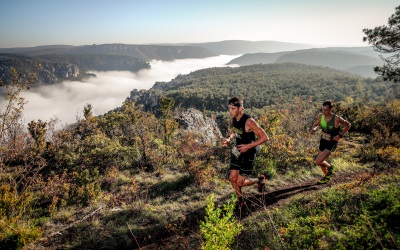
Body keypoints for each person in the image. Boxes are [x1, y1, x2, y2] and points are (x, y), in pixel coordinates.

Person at [222, 97, 269, 207]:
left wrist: (248, 146)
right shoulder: (234, 118)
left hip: (248, 153)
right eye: (229, 108)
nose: (230, 111)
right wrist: (229, 138)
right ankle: (241, 200)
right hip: (237, 150)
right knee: (232, 178)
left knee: (240, 182)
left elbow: (265, 137)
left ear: (241, 108)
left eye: (233, 108)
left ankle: (260, 180)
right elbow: (234, 130)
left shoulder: (249, 121)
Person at [310, 100, 351, 184]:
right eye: (323, 110)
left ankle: (330, 167)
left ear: (331, 109)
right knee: (320, 161)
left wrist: (340, 135)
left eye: (326, 110)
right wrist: (314, 128)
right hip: (323, 140)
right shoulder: (320, 116)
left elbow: (348, 125)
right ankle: (327, 177)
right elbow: (316, 124)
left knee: (318, 161)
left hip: (332, 142)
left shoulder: (337, 118)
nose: (324, 112)